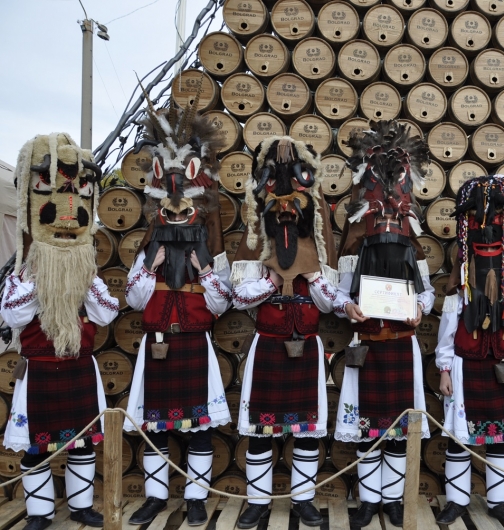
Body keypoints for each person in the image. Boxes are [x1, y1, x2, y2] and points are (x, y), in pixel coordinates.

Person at [123, 90, 232, 526]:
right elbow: (131, 299)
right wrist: (153, 266)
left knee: (199, 426)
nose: (176, 207)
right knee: (158, 424)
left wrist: (204, 271)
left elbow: (222, 304)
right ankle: (154, 497)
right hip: (157, 345)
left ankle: (196, 498)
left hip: (194, 345)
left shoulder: (209, 247)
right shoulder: (149, 245)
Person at [1, 132, 119, 530]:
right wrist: (44, 275)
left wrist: (83, 277)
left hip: (79, 365)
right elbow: (14, 317)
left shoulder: (88, 270)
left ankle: (83, 507)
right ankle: (40, 513)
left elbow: (105, 315)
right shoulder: (25, 270)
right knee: (37, 447)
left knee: (82, 441)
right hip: (39, 369)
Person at [230, 136, 338, 528]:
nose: (288, 208)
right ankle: (258, 501)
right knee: (261, 430)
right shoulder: (258, 242)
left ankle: (304, 500)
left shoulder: (317, 244)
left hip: (307, 346)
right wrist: (273, 281)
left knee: (306, 430)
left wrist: (313, 276)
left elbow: (330, 302)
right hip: (270, 346)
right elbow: (238, 297)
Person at [333, 120, 434, 528]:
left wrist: (421, 310)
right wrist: (348, 309)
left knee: (397, 426)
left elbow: (425, 290)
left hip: (402, 343)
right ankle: (368, 500)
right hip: (369, 344)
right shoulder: (357, 231)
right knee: (366, 426)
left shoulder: (411, 232)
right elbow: (340, 291)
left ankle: (392, 499)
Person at [434, 175, 504, 528]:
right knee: (460, 436)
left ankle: (499, 503)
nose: (487, 233)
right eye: (478, 223)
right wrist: (444, 367)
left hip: (500, 364)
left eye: (496, 224)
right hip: (465, 362)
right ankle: (457, 501)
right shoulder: (461, 277)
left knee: (500, 436)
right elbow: (447, 326)